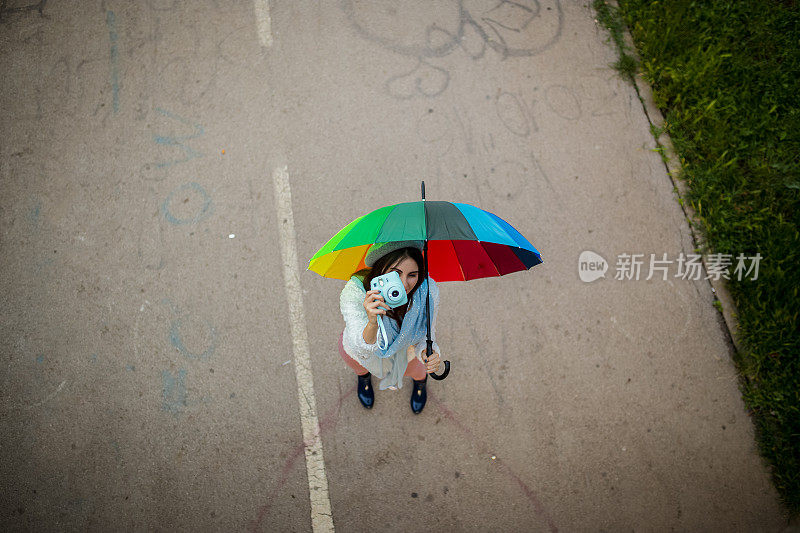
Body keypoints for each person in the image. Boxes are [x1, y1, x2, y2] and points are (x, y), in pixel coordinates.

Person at [338, 240, 443, 414]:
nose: (404, 284)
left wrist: (428, 352)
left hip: (406, 354)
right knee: (361, 367)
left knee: (418, 372)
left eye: (412, 275)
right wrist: (372, 321)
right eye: (396, 273)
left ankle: (420, 384)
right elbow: (361, 347)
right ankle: (364, 379)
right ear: (381, 269)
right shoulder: (355, 292)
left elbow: (427, 334)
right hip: (361, 354)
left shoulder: (427, 291)